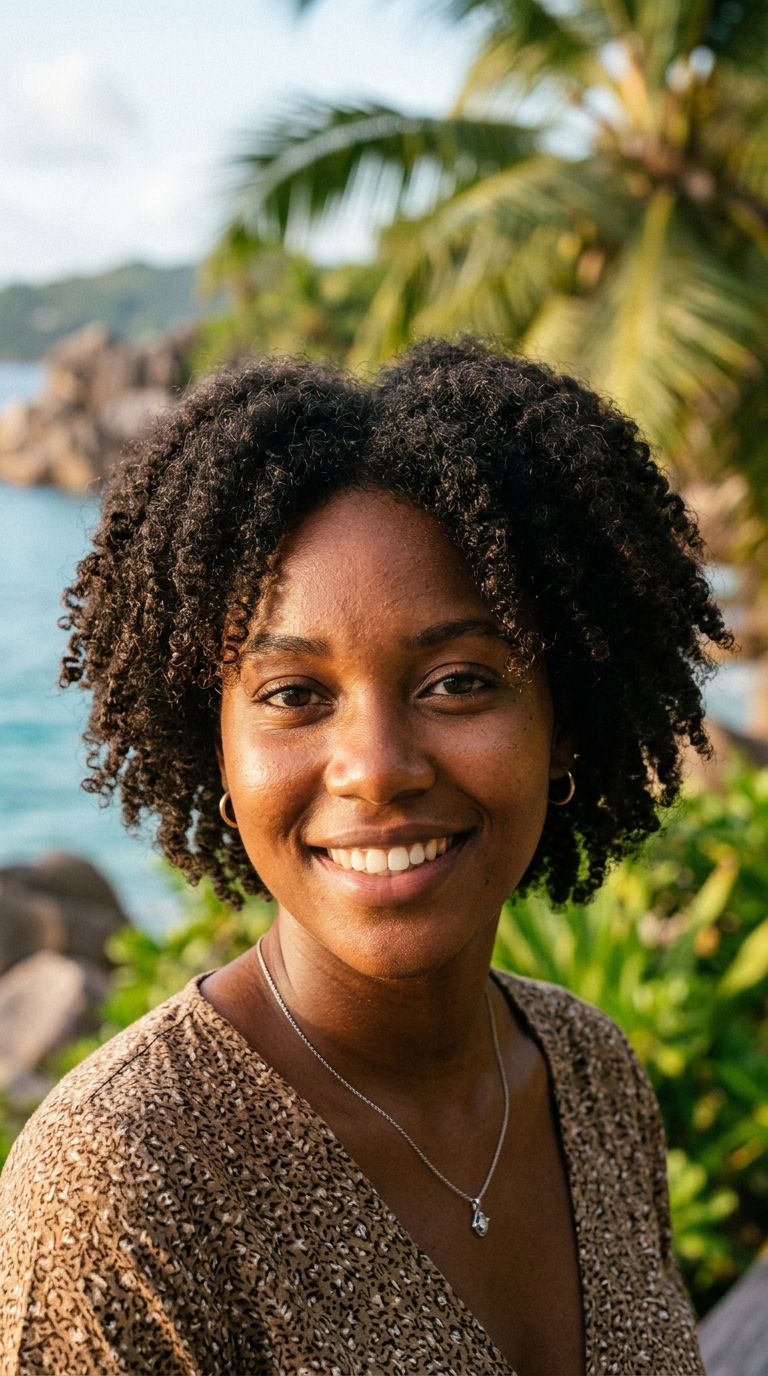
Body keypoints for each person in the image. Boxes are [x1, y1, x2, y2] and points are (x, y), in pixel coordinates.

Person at [0, 338, 727, 1376]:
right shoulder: (121, 1186)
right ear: (214, 743)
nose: (376, 768)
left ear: (564, 718)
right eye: (295, 693)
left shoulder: (589, 1072)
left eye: (460, 680)